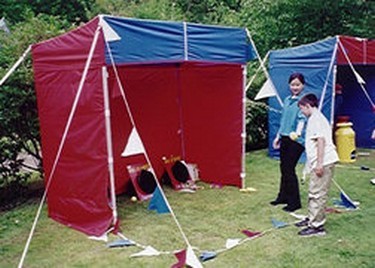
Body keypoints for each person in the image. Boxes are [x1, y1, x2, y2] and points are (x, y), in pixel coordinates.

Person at [295, 93, 339, 237]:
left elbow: (321, 141)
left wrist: (319, 164)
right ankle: (311, 218)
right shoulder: (314, 118)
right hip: (319, 161)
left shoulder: (316, 119)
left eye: (302, 109)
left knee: (318, 194)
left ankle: (317, 227)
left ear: (308, 106)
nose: (301, 112)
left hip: (324, 162)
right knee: (313, 191)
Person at [270, 73, 306, 212]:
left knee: (289, 169)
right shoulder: (286, 100)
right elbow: (284, 120)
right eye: (292, 84)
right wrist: (278, 137)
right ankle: (283, 196)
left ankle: (294, 202)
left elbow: (302, 119)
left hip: (296, 140)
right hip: (284, 137)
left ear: (303, 85)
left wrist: (297, 133)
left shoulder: (304, 100)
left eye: (298, 84)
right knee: (283, 168)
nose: (295, 87)